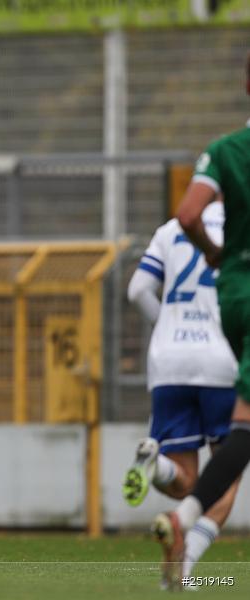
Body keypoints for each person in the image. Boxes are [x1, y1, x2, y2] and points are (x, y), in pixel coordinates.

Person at [153, 52, 250, 590]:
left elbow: (187, 214)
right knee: (240, 433)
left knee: (242, 428)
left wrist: (216, 254)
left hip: (232, 297)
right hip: (219, 337)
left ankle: (181, 515)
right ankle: (186, 522)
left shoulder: (224, 151)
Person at [123, 200, 240, 587]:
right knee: (225, 475)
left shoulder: (172, 228)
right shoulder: (242, 228)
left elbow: (138, 289)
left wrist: (166, 327)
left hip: (169, 361)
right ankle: (186, 564)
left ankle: (156, 466)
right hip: (222, 361)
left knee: (187, 480)